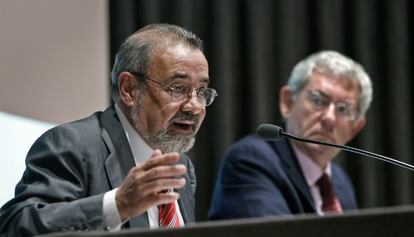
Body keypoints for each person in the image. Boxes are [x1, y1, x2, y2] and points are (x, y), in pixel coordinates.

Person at [0, 23, 217, 236]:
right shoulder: (73, 145)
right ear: (129, 89)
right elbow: (17, 225)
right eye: (178, 89)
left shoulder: (180, 164)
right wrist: (117, 205)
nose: (194, 106)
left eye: (201, 91)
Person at [208, 51, 372, 220]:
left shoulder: (340, 182)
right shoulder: (251, 161)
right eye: (318, 100)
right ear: (288, 102)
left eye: (344, 109)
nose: (329, 118)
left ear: (355, 128)